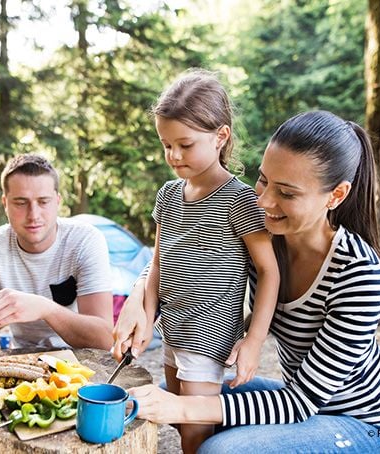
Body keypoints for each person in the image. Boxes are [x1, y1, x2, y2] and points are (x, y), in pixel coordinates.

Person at [122, 111, 380, 453]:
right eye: (264, 180)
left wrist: (182, 408)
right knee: (176, 390)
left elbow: (299, 402)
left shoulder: (357, 272)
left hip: (371, 425)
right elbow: (183, 259)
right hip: (308, 411)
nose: (264, 201)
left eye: (287, 193)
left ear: (336, 195)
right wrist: (137, 295)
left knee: (219, 447)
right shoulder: (267, 241)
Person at [113, 70, 280, 453]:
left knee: (194, 433)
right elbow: (157, 266)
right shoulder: (168, 195)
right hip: (172, 330)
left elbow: (270, 271)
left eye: (185, 145)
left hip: (209, 338)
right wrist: (144, 318)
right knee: (177, 417)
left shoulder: (238, 200)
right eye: (165, 144)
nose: (173, 156)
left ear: (220, 137)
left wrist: (254, 340)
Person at [0, 154, 114, 354]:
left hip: (83, 361)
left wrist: (46, 309)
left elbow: (103, 340)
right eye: (20, 202)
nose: (33, 215)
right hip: (23, 359)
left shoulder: (85, 240)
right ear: (5, 203)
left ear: (57, 202)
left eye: (43, 201)